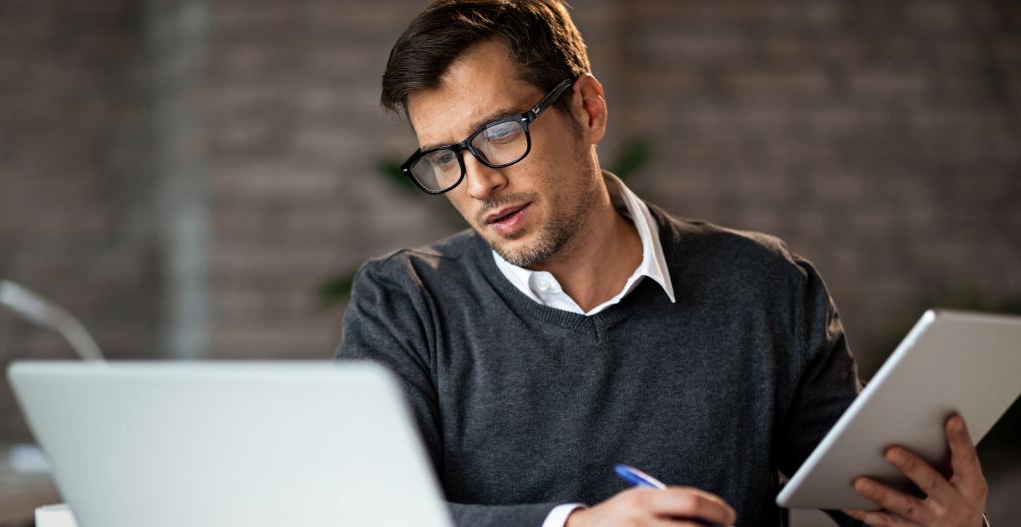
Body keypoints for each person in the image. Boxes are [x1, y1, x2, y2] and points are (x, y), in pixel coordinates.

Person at [334, 1, 990, 526]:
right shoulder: (404, 301)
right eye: (443, 158)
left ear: (587, 109)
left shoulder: (767, 287)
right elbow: (359, 510)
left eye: (500, 133)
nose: (476, 185)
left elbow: (870, 505)